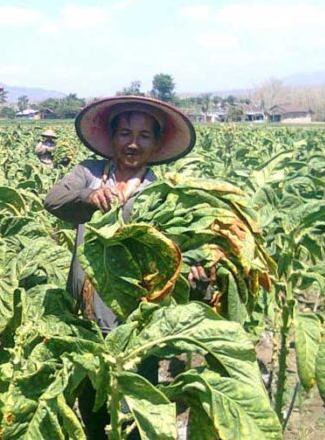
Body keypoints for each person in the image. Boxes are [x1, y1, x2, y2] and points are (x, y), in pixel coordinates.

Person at [44, 96, 198, 439]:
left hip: (135, 323)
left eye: (144, 136)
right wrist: (87, 197)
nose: (133, 143)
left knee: (133, 414)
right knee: (92, 410)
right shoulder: (89, 173)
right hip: (85, 319)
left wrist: (198, 265)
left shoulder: (161, 192)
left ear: (156, 144)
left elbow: (182, 245)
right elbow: (53, 200)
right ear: (112, 137)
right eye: (125, 132)